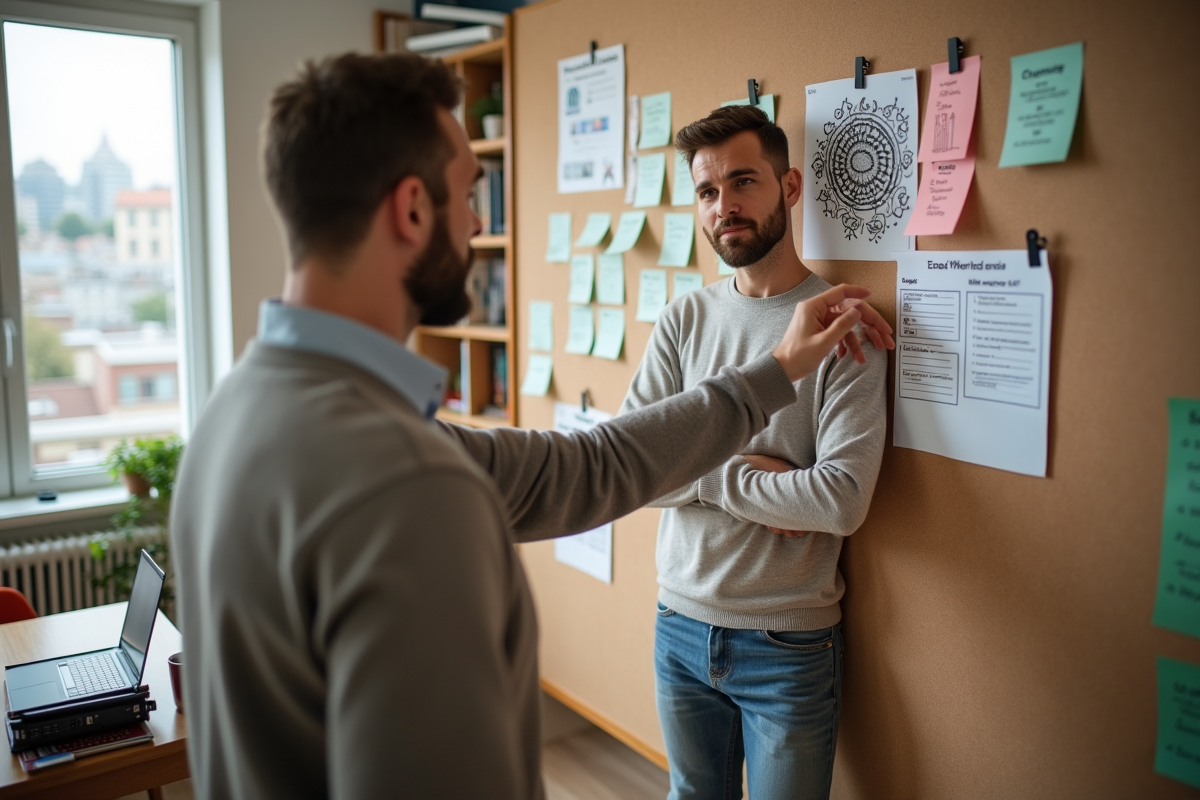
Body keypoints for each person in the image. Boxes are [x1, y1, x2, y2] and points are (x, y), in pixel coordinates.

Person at [170, 54, 893, 800]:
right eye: (468, 194)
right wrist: (752, 446)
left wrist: (770, 375)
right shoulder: (407, 480)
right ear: (412, 209)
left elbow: (589, 466)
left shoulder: (230, 422)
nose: (480, 222)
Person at [619, 105, 888, 800]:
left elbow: (841, 501)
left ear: (790, 187)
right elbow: (630, 471)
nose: (724, 207)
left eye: (744, 182)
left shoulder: (839, 326)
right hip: (678, 625)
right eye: (708, 191)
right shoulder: (684, 318)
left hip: (787, 644)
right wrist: (739, 474)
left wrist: (692, 465)